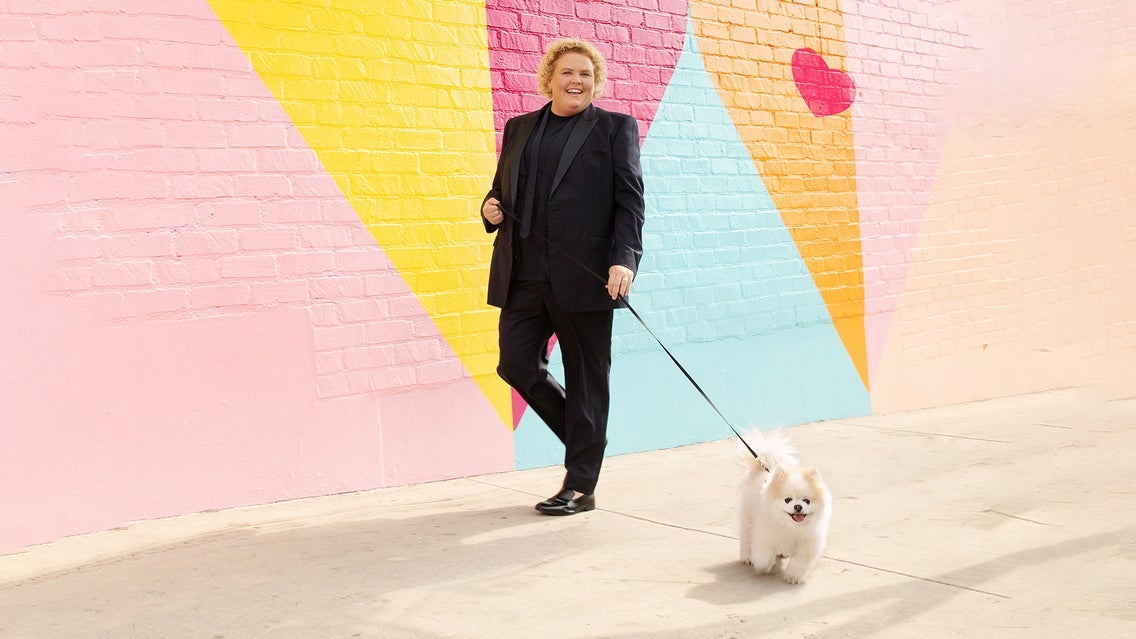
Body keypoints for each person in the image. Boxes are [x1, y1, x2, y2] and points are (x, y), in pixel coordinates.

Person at [481, 38, 645, 516]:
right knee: (516, 363)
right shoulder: (520, 128)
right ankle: (586, 441)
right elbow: (500, 188)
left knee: (587, 378)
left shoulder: (614, 128)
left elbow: (630, 199)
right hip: (523, 273)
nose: (577, 81)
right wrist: (490, 208)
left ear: (596, 83)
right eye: (568, 72)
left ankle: (580, 484)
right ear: (549, 78)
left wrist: (624, 259)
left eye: (586, 75)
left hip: (586, 275)